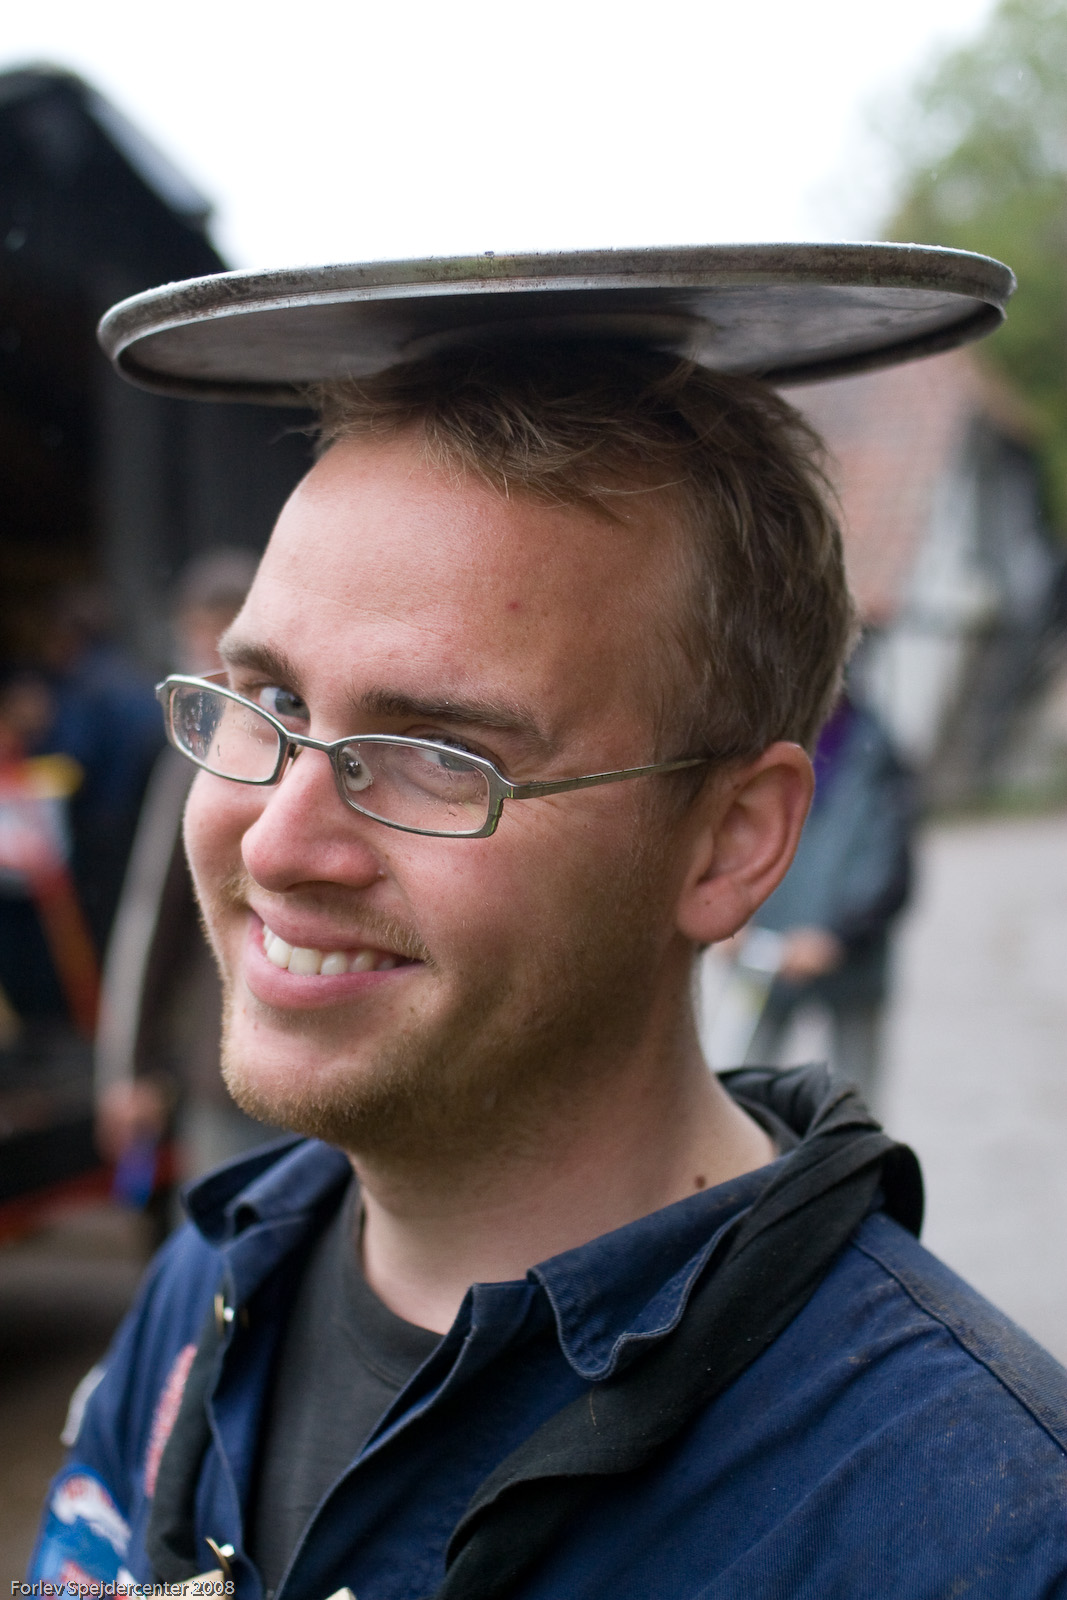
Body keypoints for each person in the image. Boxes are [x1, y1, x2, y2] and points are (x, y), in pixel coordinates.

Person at [30, 260, 1067, 1600]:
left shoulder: (974, 1531)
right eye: (267, 703)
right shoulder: (215, 1278)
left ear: (729, 841)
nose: (276, 842)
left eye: (434, 752)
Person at [96, 549, 278, 1219]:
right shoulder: (191, 756)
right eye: (199, 638)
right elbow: (154, 919)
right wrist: (131, 1068)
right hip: (225, 1066)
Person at [742, 689, 916, 1105]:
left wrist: (838, 935)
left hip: (849, 953)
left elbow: (890, 861)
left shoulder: (877, 751)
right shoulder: (756, 736)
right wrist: (732, 917)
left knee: (857, 1099)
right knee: (743, 1081)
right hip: (767, 947)